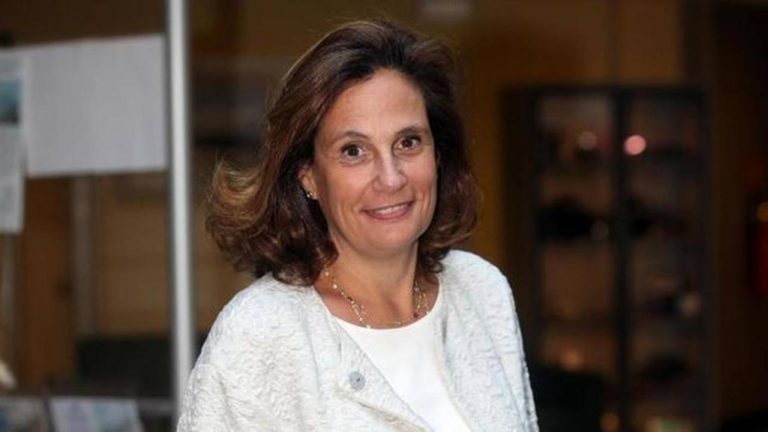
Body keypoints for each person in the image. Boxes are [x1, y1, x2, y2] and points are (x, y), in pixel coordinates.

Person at [177, 19, 538, 431]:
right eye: (353, 151)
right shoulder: (259, 333)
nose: (391, 178)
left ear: (438, 154)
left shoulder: (482, 291)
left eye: (408, 142)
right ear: (309, 176)